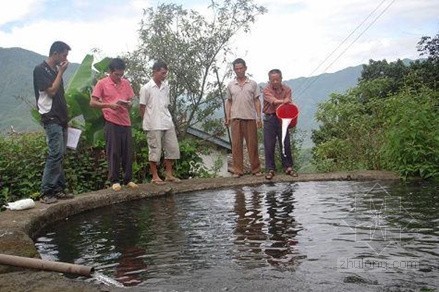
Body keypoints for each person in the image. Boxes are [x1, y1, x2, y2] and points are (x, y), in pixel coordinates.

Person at [33, 41, 74, 204]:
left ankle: (58, 190)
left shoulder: (55, 70)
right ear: (55, 53)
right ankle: (46, 192)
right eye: (64, 55)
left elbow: (60, 96)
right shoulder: (40, 69)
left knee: (60, 155)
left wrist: (66, 119)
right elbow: (51, 91)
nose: (65, 58)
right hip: (50, 117)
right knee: (55, 154)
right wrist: (61, 73)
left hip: (61, 118)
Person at [90, 58, 138, 191]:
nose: (119, 77)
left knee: (127, 152)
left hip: (126, 121)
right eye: (116, 74)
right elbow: (93, 103)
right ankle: (114, 180)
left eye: (121, 75)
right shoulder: (102, 83)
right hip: (111, 121)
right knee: (114, 151)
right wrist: (109, 105)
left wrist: (128, 104)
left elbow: (131, 101)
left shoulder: (126, 83)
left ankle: (128, 179)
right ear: (110, 72)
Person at [139, 60, 181, 184]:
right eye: (162, 73)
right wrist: (147, 121)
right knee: (154, 150)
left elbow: (166, 104)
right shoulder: (146, 88)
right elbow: (142, 107)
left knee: (172, 148)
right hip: (153, 123)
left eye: (165, 73)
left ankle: (169, 174)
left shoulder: (165, 87)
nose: (164, 75)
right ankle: (155, 176)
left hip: (167, 121)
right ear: (155, 72)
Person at [224, 58, 263, 178]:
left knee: (252, 144)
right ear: (234, 70)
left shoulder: (252, 84)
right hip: (235, 118)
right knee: (236, 145)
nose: (239, 71)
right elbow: (229, 101)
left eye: (241, 68)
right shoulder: (231, 85)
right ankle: (238, 170)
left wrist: (259, 117)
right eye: (236, 69)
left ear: (245, 68)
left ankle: (256, 170)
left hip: (250, 117)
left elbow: (257, 101)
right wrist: (228, 117)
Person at [262, 69, 297, 180]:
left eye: (277, 79)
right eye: (273, 80)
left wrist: (287, 101)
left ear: (281, 78)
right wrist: (284, 101)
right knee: (269, 144)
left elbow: (289, 100)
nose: (275, 82)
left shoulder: (287, 89)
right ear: (269, 80)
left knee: (285, 143)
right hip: (270, 118)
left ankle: (288, 167)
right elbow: (273, 101)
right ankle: (270, 169)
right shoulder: (266, 89)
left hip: (283, 118)